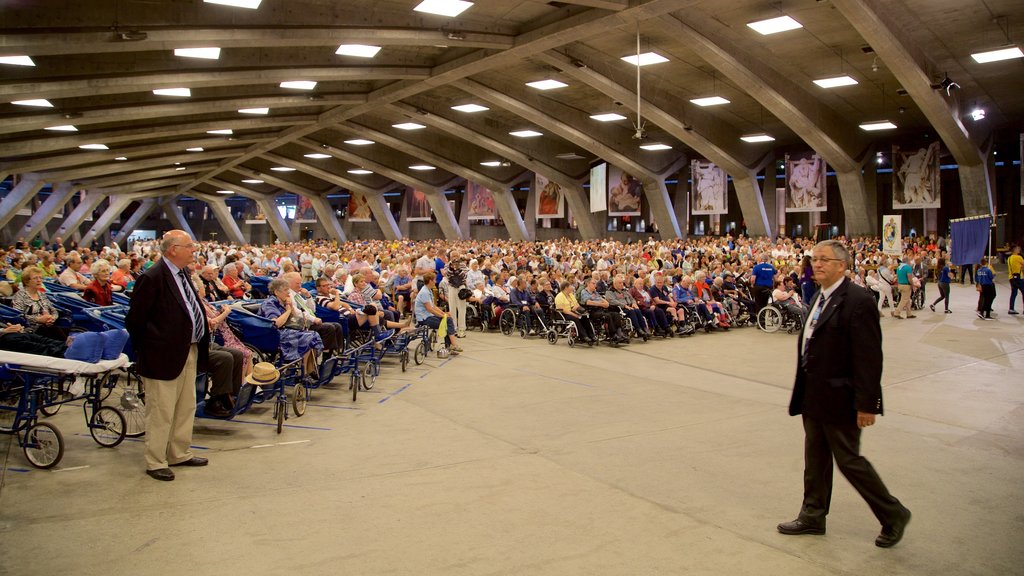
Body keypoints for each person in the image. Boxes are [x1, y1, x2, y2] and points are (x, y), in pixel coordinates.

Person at [778, 239, 911, 548]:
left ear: (842, 265)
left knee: (849, 461)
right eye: (814, 259)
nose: (817, 264)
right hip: (813, 395)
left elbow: (868, 358)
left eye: (824, 259)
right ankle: (812, 514)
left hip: (840, 397)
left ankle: (893, 513)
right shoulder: (818, 298)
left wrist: (867, 404)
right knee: (816, 459)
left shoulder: (857, 300)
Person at [125, 230, 210, 482]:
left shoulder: (183, 275)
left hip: (188, 349)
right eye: (189, 246)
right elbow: (135, 321)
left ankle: (179, 452)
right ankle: (156, 460)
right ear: (173, 249)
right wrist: (150, 348)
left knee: (186, 406)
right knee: (161, 410)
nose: (194, 251)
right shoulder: (153, 277)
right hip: (161, 354)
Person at [12, 267, 66, 341]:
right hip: (30, 329)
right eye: (35, 278)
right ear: (27, 281)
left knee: (66, 330)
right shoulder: (20, 296)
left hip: (47, 326)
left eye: (40, 278)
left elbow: (54, 311)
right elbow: (18, 317)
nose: (39, 280)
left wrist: (52, 318)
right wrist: (37, 319)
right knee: (56, 332)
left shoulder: (41, 294)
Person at [414, 273, 459, 354]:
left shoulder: (428, 290)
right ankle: (453, 345)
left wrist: (443, 313)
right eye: (434, 280)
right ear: (430, 281)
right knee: (447, 322)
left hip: (429, 316)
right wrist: (443, 316)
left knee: (448, 320)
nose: (435, 281)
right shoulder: (424, 292)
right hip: (424, 318)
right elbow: (430, 309)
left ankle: (451, 346)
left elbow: (433, 306)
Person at [1007, 245, 1022, 315]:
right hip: (1018, 278)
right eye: (1018, 248)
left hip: (1011, 278)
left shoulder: (1009, 258)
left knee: (1014, 293)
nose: (1019, 249)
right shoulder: (1018, 257)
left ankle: (1011, 308)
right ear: (1014, 250)